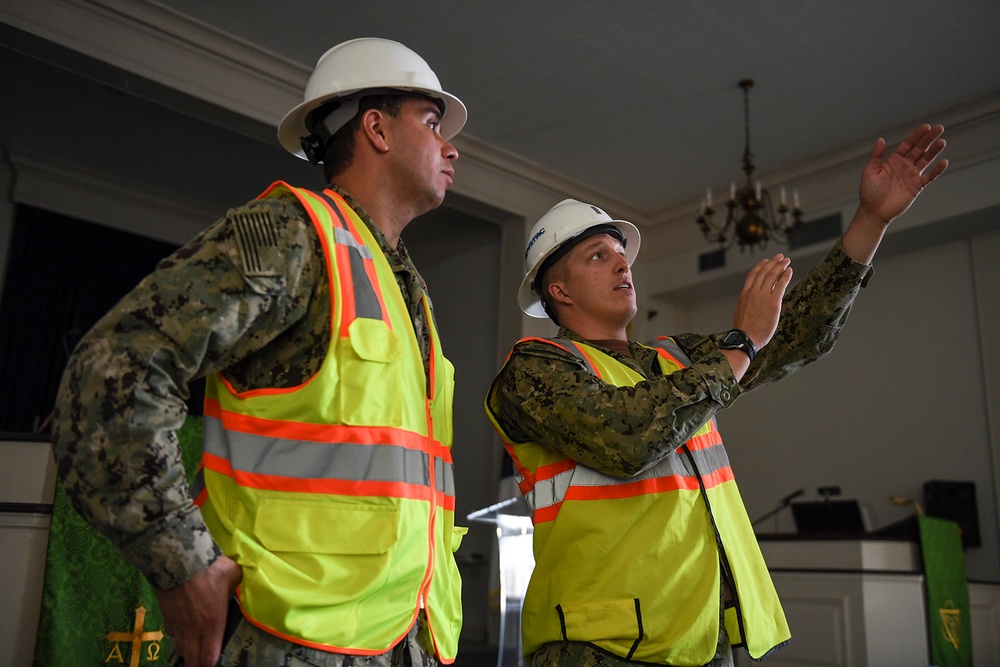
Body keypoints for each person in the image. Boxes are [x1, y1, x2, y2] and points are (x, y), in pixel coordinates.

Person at [52, 37, 467, 667]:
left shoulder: (407, 286)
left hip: (403, 643)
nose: (451, 146)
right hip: (288, 644)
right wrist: (181, 562)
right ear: (377, 129)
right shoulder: (290, 234)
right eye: (432, 123)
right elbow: (114, 371)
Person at [485, 124, 948, 666]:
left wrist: (871, 220)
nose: (621, 263)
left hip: (701, 639)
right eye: (596, 256)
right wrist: (742, 342)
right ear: (558, 291)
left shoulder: (672, 359)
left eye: (621, 253)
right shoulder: (534, 369)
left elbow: (795, 335)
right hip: (597, 649)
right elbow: (625, 436)